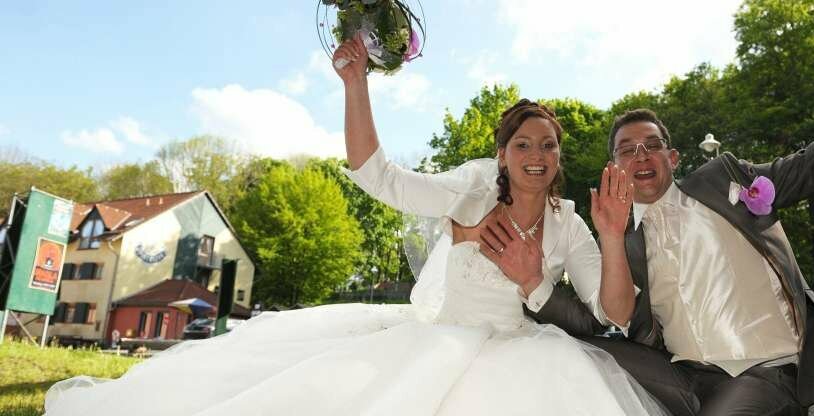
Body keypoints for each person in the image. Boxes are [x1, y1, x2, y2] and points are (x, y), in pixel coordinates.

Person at [42, 35, 666, 416]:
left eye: (551, 145)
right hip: (443, 339)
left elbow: (613, 312)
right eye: (525, 143)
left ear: (560, 157)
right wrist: (356, 84)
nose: (539, 154)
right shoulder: (471, 187)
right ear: (502, 154)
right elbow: (379, 176)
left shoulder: (571, 225)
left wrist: (606, 239)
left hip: (523, 353)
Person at [529, 5, 814, 415]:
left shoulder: (725, 182)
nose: (641, 155)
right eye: (627, 150)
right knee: (575, 354)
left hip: (764, 371)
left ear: (672, 158)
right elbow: (597, 320)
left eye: (652, 146)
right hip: (681, 377)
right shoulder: (621, 240)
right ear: (615, 167)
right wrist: (531, 283)